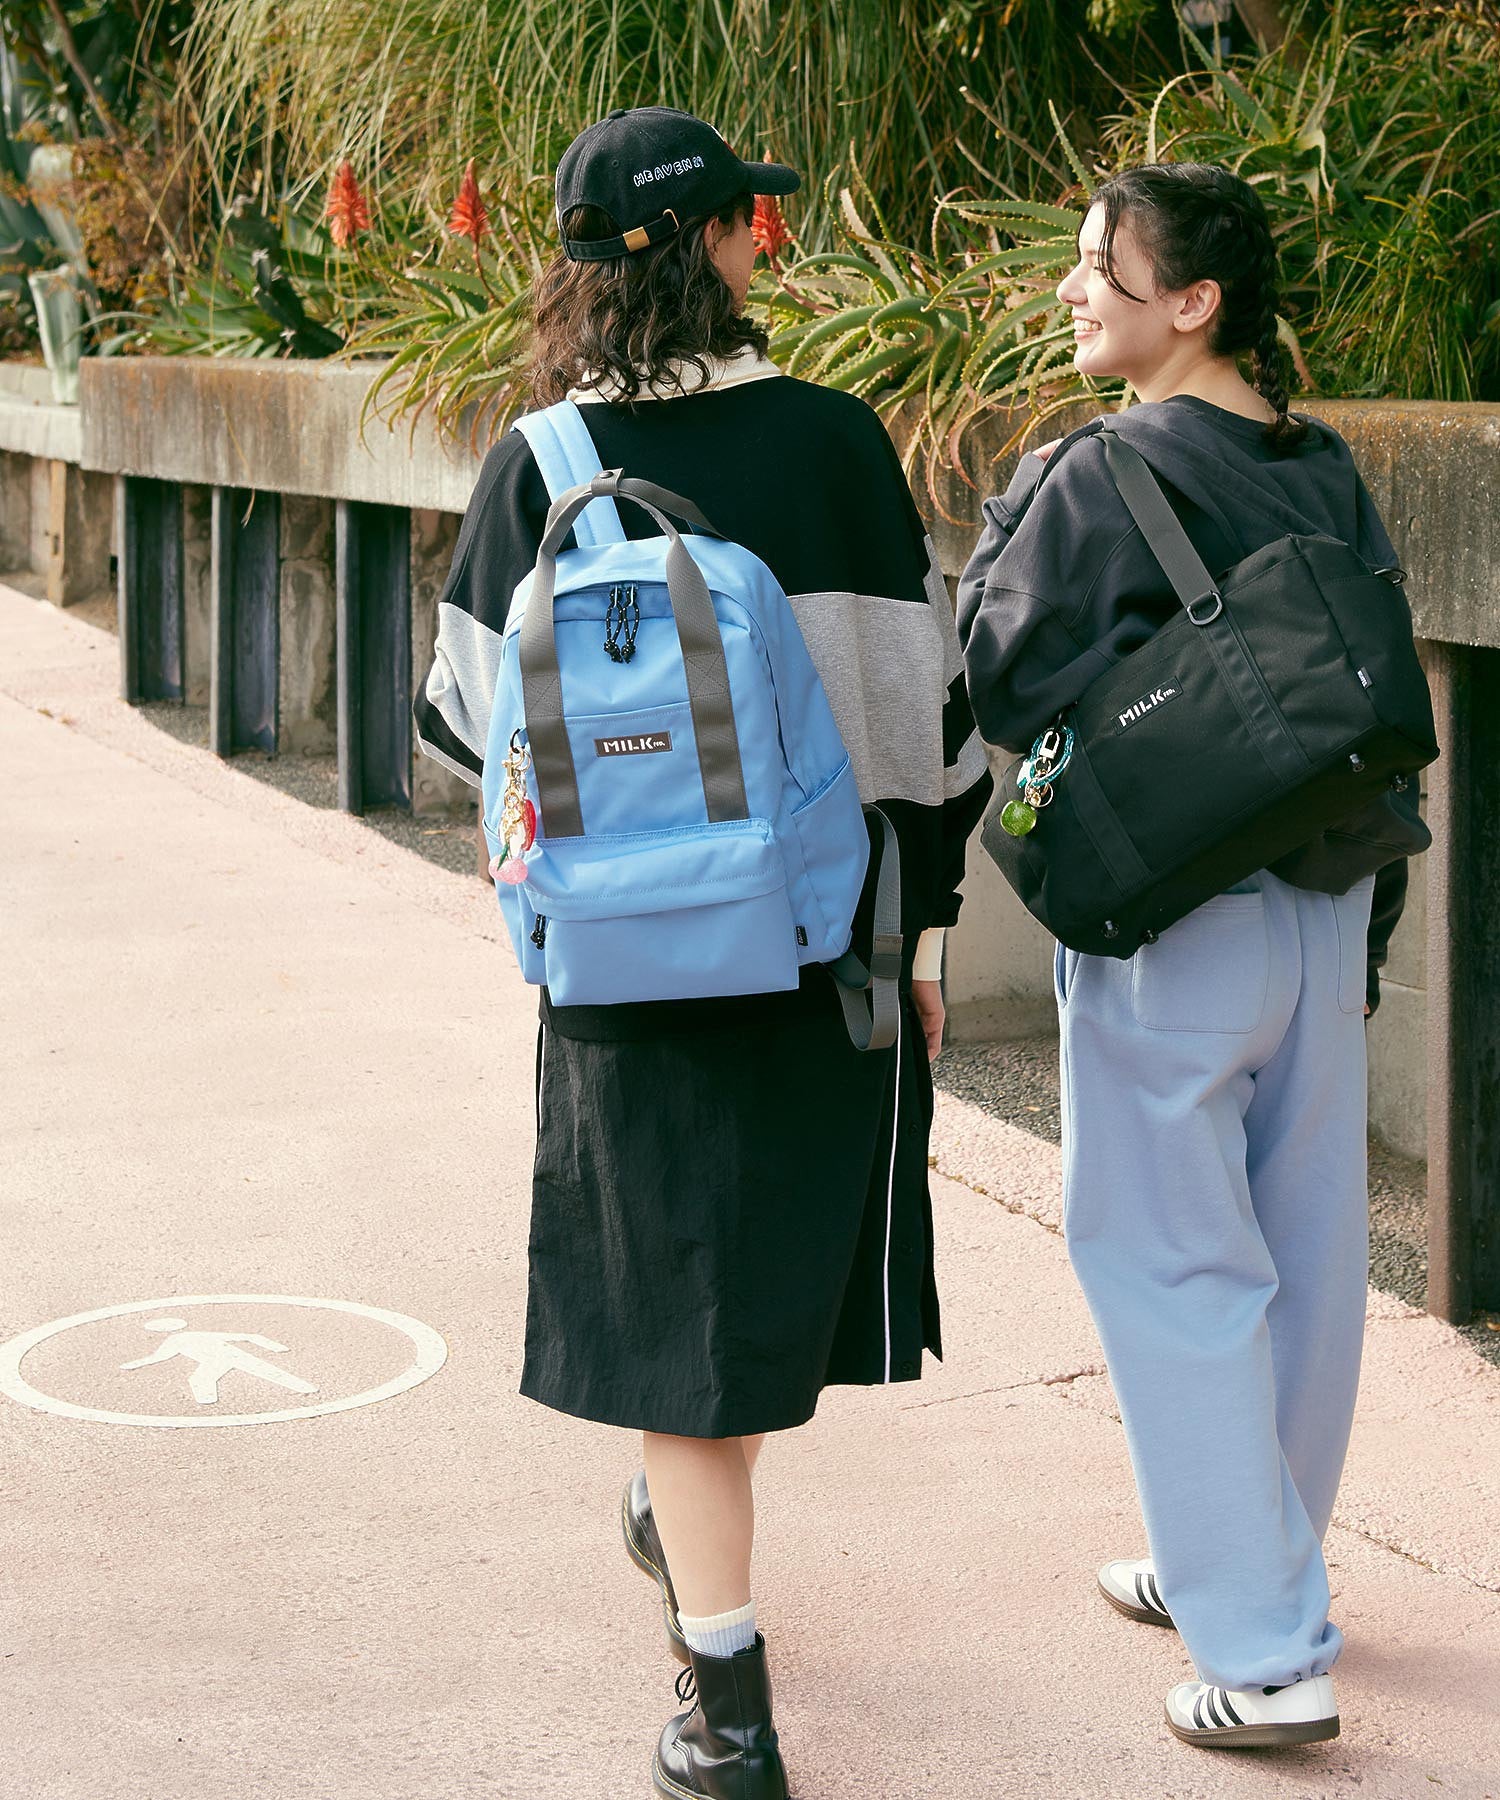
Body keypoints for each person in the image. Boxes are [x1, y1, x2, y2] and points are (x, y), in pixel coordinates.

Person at [415, 106, 991, 1798]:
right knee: (738, 1302)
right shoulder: (832, 440)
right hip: (819, 954)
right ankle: (715, 1648)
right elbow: (921, 739)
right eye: (753, 214)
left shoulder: (538, 459)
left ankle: (722, 1699)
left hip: (619, 970)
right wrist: (931, 932)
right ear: (725, 242)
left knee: (675, 1306)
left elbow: (458, 733)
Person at [957, 162, 1428, 1750]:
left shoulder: (1097, 475)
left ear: (1194, 302)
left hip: (1176, 920)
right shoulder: (1325, 463)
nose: (1077, 287)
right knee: (1301, 1257)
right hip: (1322, 903)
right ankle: (1250, 1557)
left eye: (1105, 265)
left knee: (1171, 1263)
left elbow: (994, 671)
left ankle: (1264, 1651)